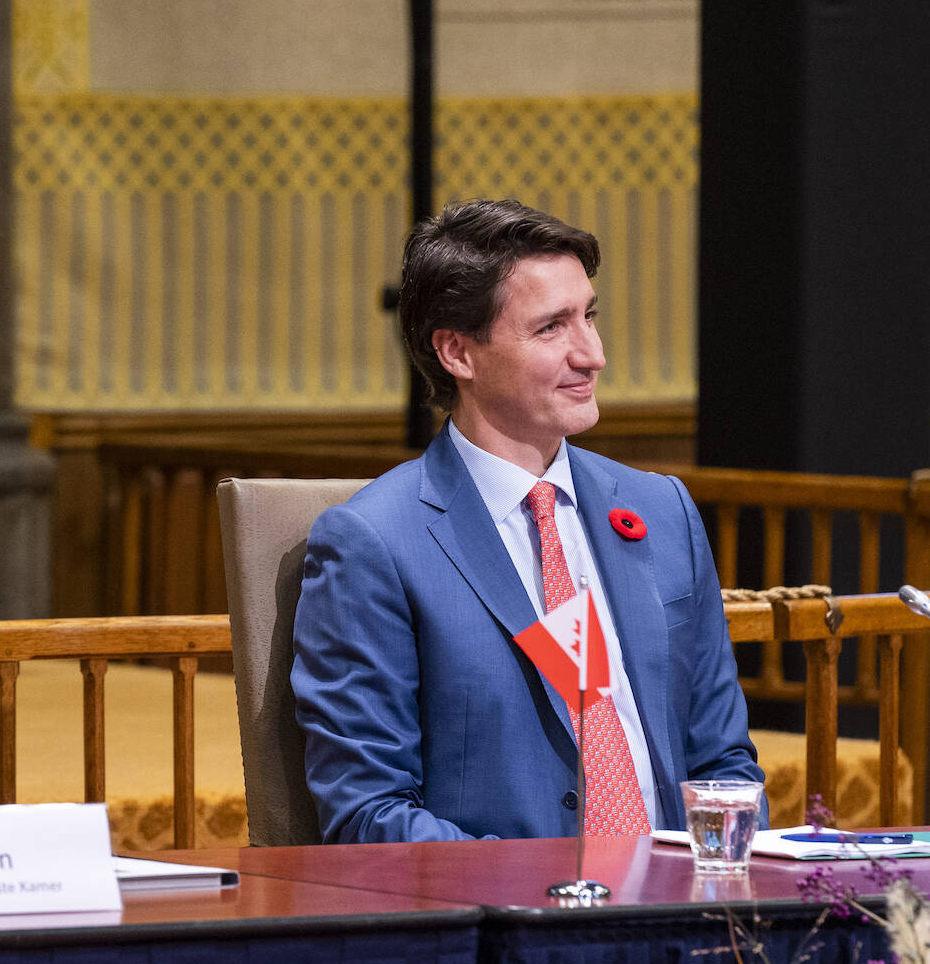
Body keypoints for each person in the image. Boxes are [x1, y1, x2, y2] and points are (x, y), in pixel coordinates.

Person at [292, 199, 761, 843]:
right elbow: (368, 815)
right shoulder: (374, 543)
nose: (591, 355)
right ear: (458, 352)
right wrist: (554, 889)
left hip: (681, 890)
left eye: (589, 317)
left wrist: (717, 879)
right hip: (508, 901)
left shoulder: (662, 510)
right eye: (551, 328)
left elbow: (724, 766)